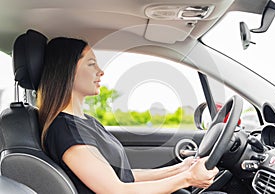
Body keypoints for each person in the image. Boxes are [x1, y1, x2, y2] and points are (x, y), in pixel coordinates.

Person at [37, 37, 219, 194]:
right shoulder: (65, 131)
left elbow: (125, 176)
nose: (100, 71)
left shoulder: (86, 122)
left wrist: (181, 169)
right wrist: (188, 179)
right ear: (67, 71)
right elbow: (116, 190)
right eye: (91, 64)